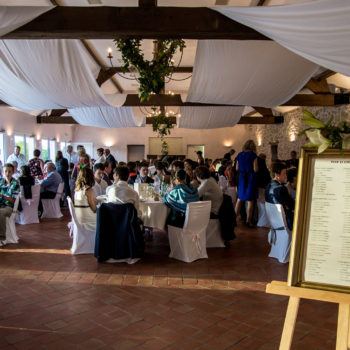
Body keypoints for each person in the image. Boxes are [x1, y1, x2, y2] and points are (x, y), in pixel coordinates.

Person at [235, 140, 259, 227]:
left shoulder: (239, 155)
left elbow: (237, 168)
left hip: (241, 178)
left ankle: (234, 219)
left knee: (239, 199)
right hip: (250, 178)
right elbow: (255, 169)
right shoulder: (253, 155)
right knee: (250, 200)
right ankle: (248, 221)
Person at [265, 162, 295, 230]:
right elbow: (292, 205)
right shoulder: (281, 189)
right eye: (284, 173)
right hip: (286, 222)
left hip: (275, 223)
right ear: (277, 175)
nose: (286, 176)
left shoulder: (268, 186)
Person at [0, 163, 20, 243]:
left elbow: (13, 200)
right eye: (6, 171)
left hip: (9, 207)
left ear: (13, 172)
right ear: (3, 172)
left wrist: (2, 196)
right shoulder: (1, 182)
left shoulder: (15, 183)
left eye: (9, 171)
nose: (7, 173)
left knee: (0, 213)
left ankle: (2, 237)